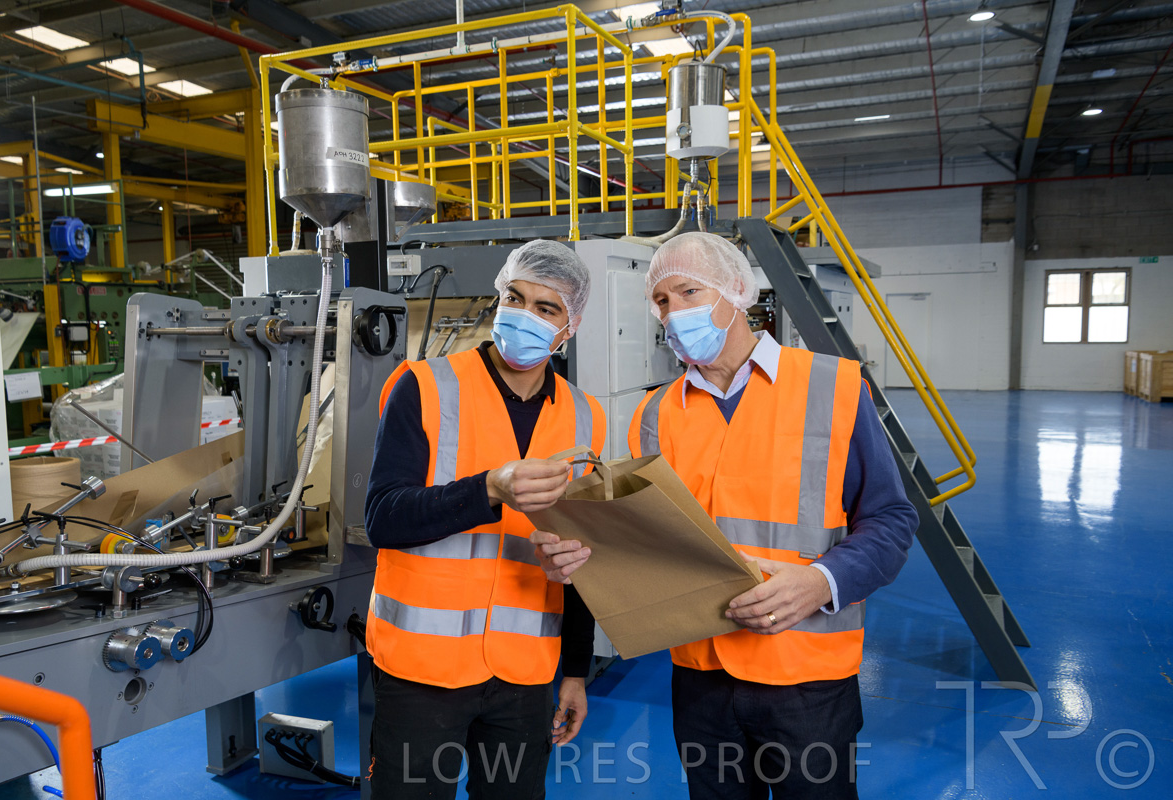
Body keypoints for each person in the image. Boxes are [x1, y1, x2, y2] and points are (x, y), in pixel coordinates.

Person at [533, 232, 918, 799]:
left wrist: (822, 581)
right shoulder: (655, 413)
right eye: (661, 300)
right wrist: (582, 556)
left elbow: (890, 520)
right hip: (700, 675)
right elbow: (647, 545)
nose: (673, 311)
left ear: (737, 290)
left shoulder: (833, 386)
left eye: (688, 292)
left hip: (804, 672)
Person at [363, 239, 605, 799]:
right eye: (514, 298)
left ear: (569, 328)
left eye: (546, 308)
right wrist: (489, 489)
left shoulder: (584, 415)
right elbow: (383, 518)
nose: (525, 315)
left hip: (525, 673)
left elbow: (581, 555)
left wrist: (575, 670)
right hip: (421, 670)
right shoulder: (424, 385)